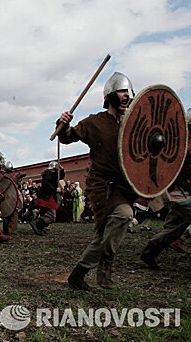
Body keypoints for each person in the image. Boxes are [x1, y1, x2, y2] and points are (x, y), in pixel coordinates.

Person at [59, 72, 138, 290]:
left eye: (128, 93)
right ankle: (106, 264)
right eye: (122, 92)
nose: (127, 96)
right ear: (111, 96)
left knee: (106, 232)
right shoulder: (95, 123)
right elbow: (67, 137)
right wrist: (63, 123)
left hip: (125, 185)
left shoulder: (133, 124)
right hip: (102, 185)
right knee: (123, 215)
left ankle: (79, 273)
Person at [140, 109, 191, 269]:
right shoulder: (180, 142)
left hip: (185, 190)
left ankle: (151, 251)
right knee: (177, 225)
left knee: (175, 227)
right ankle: (150, 252)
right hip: (179, 189)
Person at [30, 161, 64, 235]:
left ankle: (40, 227)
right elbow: (47, 184)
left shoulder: (51, 174)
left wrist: (61, 170)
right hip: (47, 197)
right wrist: (55, 189)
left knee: (44, 213)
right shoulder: (49, 174)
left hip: (47, 196)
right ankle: (37, 223)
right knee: (52, 214)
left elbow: (60, 176)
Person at [1, 161, 26, 236]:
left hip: (5, 196)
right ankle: (11, 231)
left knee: (6, 212)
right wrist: (17, 173)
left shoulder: (2, 175)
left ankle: (6, 230)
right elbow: (24, 173)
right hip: (13, 195)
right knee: (14, 213)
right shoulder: (15, 174)